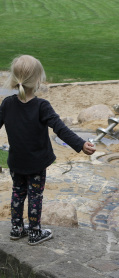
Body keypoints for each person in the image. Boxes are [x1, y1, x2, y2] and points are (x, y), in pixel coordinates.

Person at [0, 55, 96, 245]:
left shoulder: (7, 104)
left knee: (18, 193)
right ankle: (35, 232)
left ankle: (16, 228)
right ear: (37, 80)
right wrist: (81, 144)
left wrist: (78, 144)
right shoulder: (41, 106)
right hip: (36, 164)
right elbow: (60, 129)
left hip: (16, 162)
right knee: (35, 195)